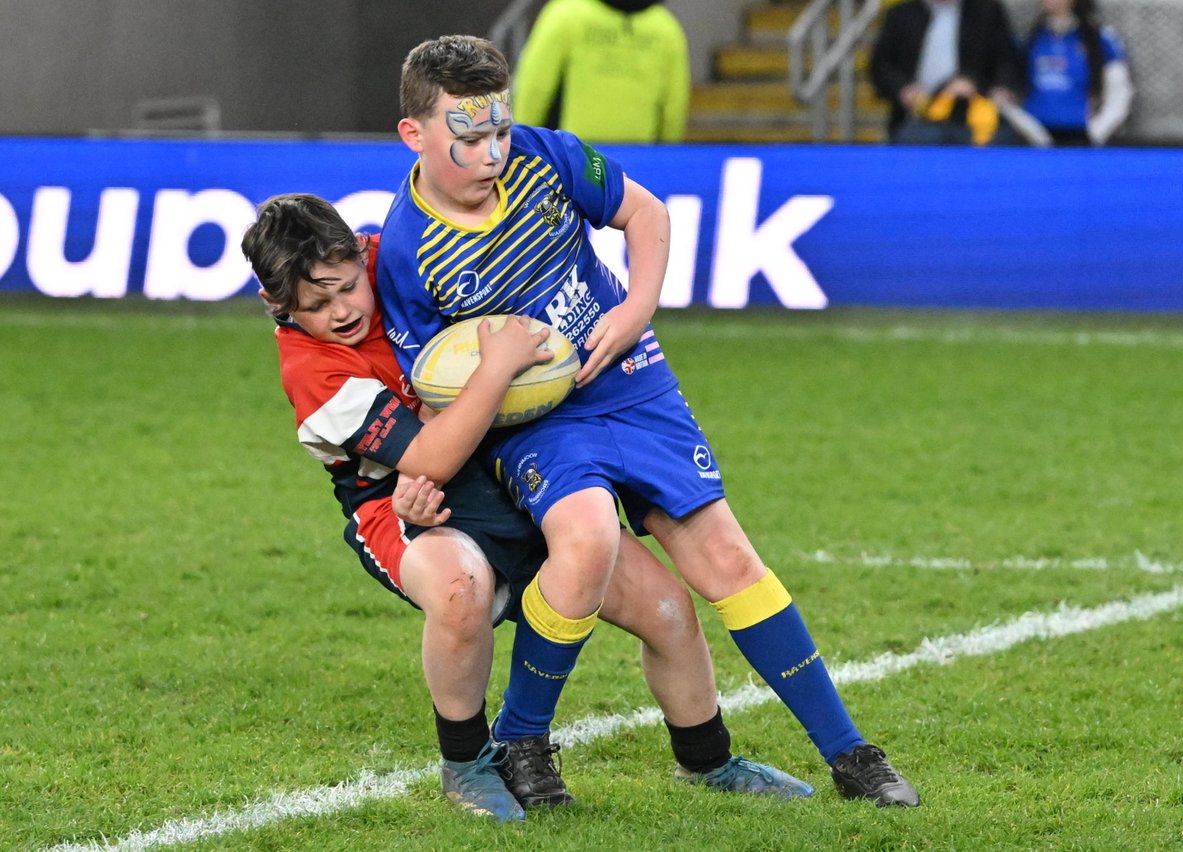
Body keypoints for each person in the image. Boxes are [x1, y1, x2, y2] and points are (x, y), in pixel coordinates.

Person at [375, 35, 920, 808]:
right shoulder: (407, 251)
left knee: (728, 561)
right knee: (589, 532)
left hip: (631, 381)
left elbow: (646, 213)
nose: (494, 150)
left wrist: (634, 308)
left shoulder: (545, 156)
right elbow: (437, 394)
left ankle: (852, 755)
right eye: (470, 137)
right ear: (415, 133)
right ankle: (524, 742)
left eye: (500, 129)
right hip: (537, 421)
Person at [241, 193, 816, 822]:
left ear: (357, 252)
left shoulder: (396, 259)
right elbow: (428, 459)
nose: (342, 310)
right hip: (406, 503)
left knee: (667, 607)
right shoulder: (311, 370)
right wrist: (499, 367)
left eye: (346, 288)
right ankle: (467, 765)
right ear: (277, 306)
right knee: (461, 593)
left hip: (505, 467)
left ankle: (709, 762)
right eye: (315, 306)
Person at [511, 0, 690, 143]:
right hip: (639, 156)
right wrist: (666, 152)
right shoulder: (666, 27)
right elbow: (674, 105)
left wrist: (521, 144)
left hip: (570, 157)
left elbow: (534, 88)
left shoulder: (565, 14)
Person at [869, 0, 1023, 145]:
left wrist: (996, 88)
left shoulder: (987, 11)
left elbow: (1006, 60)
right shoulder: (900, 14)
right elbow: (881, 65)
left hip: (976, 117)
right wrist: (903, 89)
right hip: (918, 117)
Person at [1021, 0, 1133, 146]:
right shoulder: (1032, 39)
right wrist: (1032, 132)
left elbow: (1120, 91)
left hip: (1080, 133)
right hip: (1036, 135)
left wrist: (1096, 133)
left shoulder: (1099, 38)